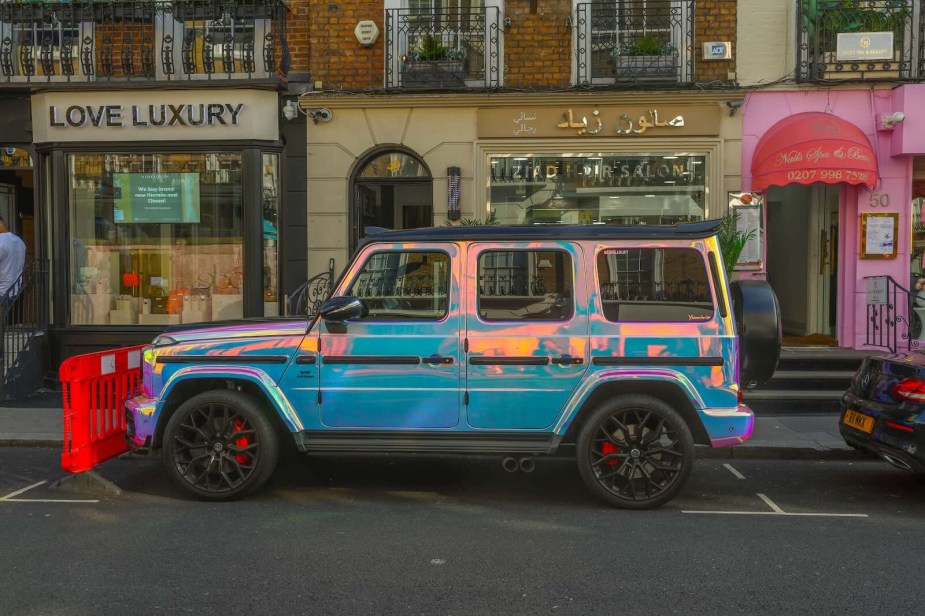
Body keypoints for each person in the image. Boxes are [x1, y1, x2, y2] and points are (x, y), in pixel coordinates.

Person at [0, 215, 26, 305]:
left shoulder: (1, 241)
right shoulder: (20, 242)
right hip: (17, 292)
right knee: (14, 319)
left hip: (2, 293)